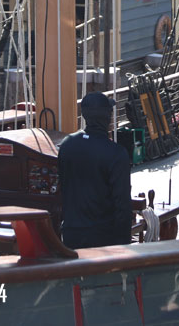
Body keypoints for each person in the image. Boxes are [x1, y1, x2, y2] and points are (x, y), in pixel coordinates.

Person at [58, 92, 133, 249]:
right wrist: (125, 245)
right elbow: (122, 204)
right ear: (107, 117)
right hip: (103, 238)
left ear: (84, 116)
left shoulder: (66, 145)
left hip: (71, 234)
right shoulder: (116, 153)